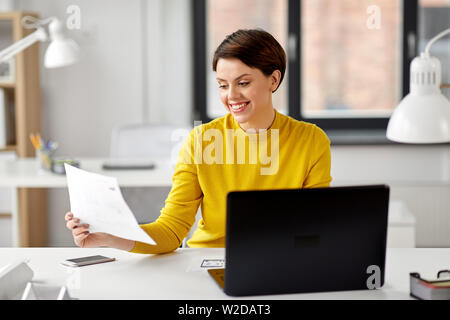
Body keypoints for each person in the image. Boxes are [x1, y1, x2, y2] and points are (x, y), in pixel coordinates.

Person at [65, 28, 332, 254]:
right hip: (207, 260)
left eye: (243, 82)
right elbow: (171, 229)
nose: (231, 96)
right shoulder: (202, 140)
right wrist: (111, 237)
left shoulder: (311, 140)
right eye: (223, 85)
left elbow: (316, 226)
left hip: (280, 260)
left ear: (273, 79)